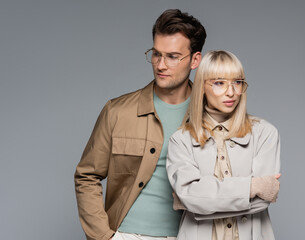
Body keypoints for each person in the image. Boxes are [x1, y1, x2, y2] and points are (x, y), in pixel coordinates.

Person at [74, 9, 206, 240]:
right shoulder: (117, 111)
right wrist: (104, 236)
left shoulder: (210, 115)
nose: (160, 65)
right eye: (156, 54)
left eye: (172, 56)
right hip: (126, 235)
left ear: (195, 60)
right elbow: (87, 175)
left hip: (192, 235)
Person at [166, 50, 281, 240]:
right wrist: (251, 187)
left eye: (237, 82)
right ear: (202, 87)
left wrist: (196, 202)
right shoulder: (181, 139)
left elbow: (262, 202)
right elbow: (190, 197)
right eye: (219, 83)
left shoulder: (265, 133)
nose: (231, 92)